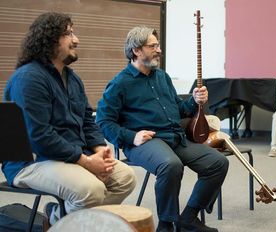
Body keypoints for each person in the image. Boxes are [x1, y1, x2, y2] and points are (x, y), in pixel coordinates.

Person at [1, 12, 136, 226]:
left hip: (70, 155)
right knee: (91, 190)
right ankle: (73, 224)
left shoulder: (72, 78)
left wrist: (101, 150)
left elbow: (87, 120)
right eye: (68, 34)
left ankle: (58, 220)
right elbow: (39, 136)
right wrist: (86, 162)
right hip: (31, 161)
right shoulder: (28, 79)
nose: (76, 39)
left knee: (124, 178)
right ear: (49, 40)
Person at [96, 26, 229, 232]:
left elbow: (180, 110)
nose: (159, 50)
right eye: (153, 46)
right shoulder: (120, 83)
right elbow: (104, 122)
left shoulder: (162, 77)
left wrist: (195, 101)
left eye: (158, 45)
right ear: (136, 51)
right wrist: (132, 136)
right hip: (145, 142)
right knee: (171, 165)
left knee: (217, 162)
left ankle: (188, 218)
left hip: (174, 138)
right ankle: (166, 225)